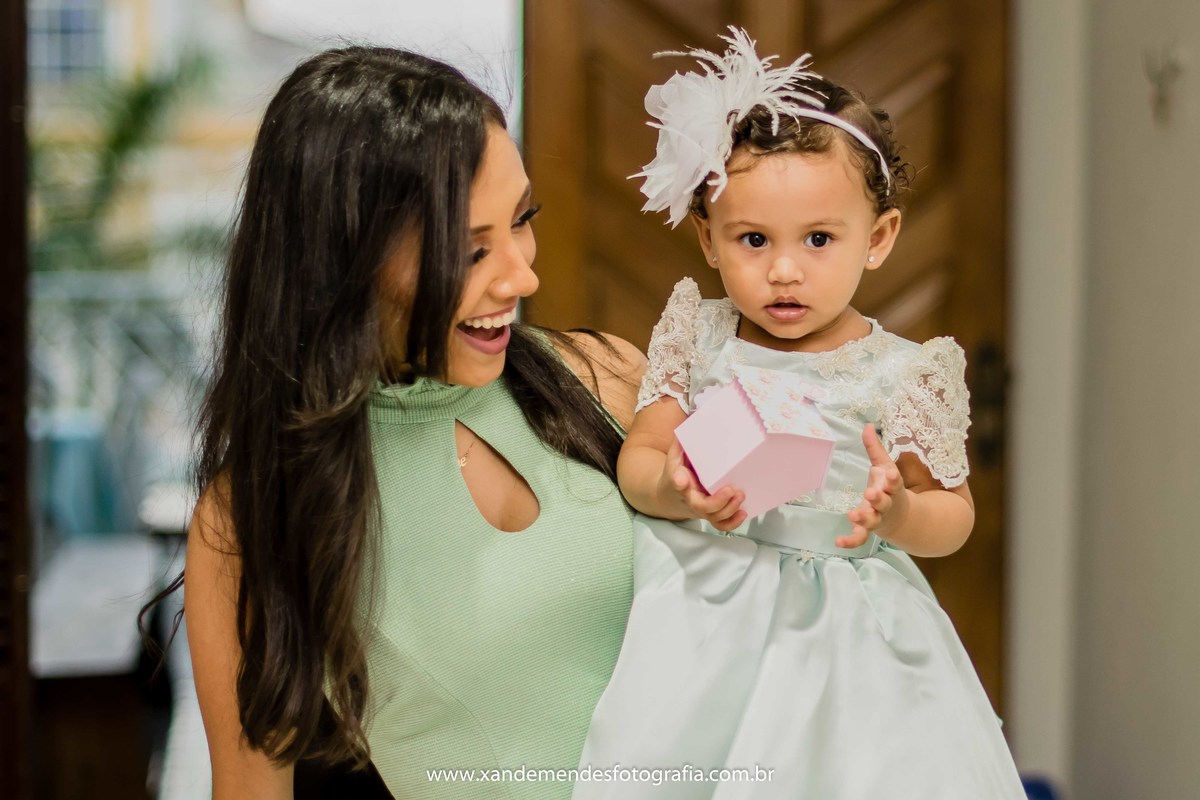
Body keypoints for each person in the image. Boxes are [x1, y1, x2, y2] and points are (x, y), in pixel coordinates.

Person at [178, 46, 645, 799]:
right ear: (342, 259)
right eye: (471, 250)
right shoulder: (253, 516)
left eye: (522, 220)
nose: (522, 275)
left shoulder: (606, 378)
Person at [573, 29, 1026, 799]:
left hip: (846, 630)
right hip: (708, 609)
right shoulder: (699, 334)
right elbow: (639, 461)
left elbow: (954, 516)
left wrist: (900, 513)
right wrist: (675, 488)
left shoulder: (903, 371)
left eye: (819, 239)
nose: (784, 269)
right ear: (708, 238)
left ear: (878, 238)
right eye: (753, 239)